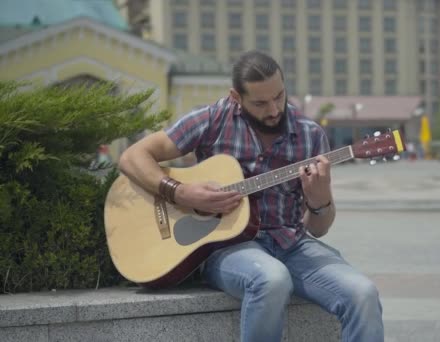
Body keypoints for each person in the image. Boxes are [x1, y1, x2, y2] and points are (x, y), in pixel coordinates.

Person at [118, 51, 383, 342]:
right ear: (236, 97)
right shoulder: (212, 120)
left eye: (279, 97)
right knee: (271, 279)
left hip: (292, 245)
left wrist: (320, 202)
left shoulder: (310, 136)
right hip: (229, 248)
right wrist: (179, 192)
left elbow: (318, 228)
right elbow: (132, 156)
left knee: (363, 294)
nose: (273, 110)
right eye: (260, 103)